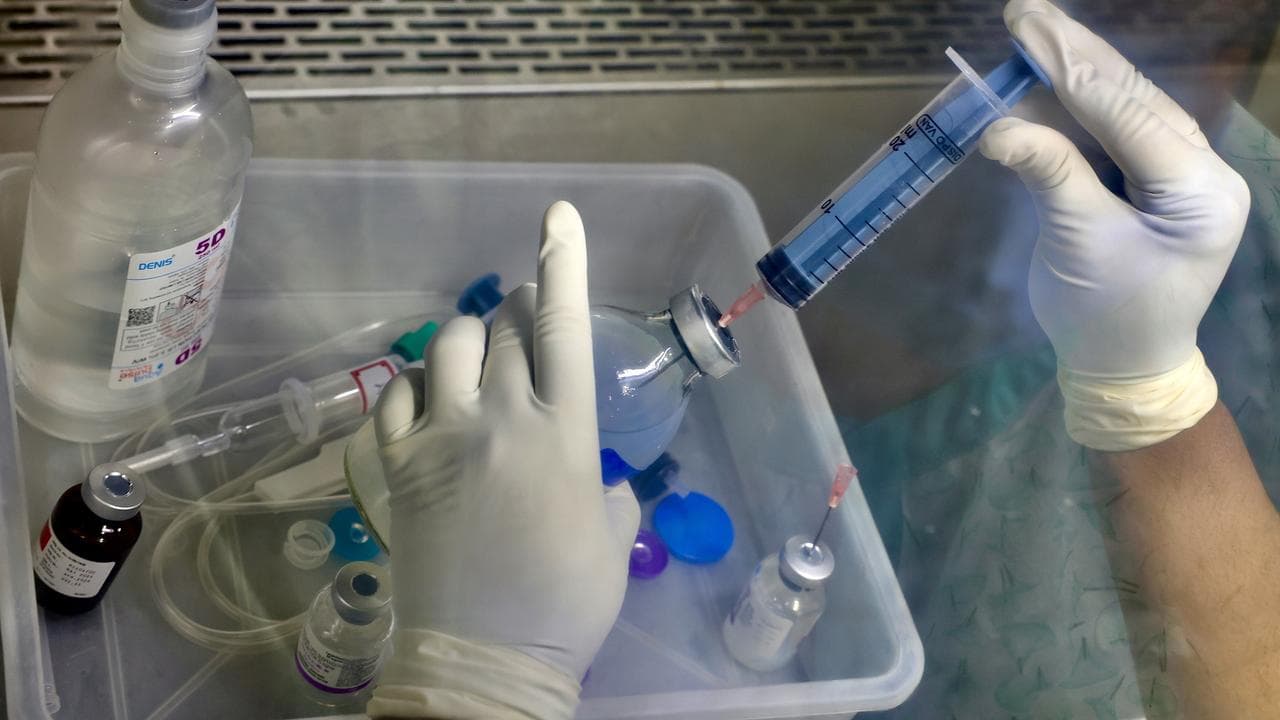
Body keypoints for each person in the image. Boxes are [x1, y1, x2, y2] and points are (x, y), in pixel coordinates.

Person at [363, 1, 1280, 717]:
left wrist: (482, 681)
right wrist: (1155, 403)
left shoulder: (1237, 228)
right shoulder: (826, 101)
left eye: (1184, 30)